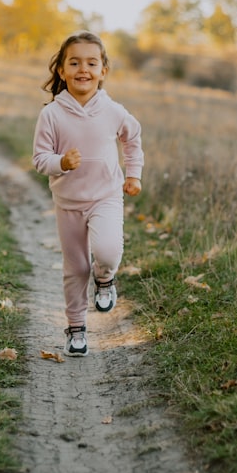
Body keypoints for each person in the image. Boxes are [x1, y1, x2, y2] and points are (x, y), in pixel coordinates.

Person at [32, 30, 144, 357]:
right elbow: (40, 159)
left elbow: (132, 140)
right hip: (68, 203)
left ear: (103, 71)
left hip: (106, 196)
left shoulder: (114, 111)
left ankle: (105, 279)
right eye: (75, 62)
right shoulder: (51, 114)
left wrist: (133, 174)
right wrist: (61, 162)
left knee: (108, 252)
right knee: (76, 268)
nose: (84, 69)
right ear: (62, 70)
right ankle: (77, 327)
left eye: (92, 63)